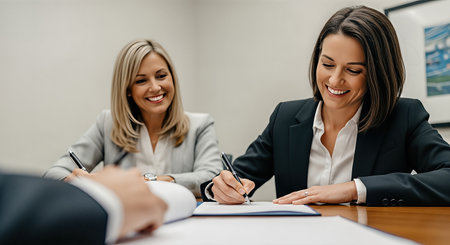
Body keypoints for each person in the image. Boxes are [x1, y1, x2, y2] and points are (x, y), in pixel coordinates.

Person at [202, 6, 450, 206]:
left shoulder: (403, 117)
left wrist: (354, 189)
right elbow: (233, 177)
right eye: (327, 64)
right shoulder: (285, 118)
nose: (334, 80)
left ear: (378, 73)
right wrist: (220, 188)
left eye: (353, 70)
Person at [44, 39, 222, 197]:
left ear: (172, 78)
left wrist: (151, 182)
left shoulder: (200, 125)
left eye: (161, 76)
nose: (155, 87)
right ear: (127, 89)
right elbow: (54, 173)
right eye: (141, 81)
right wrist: (77, 181)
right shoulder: (107, 124)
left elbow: (211, 177)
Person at [0, 166, 167, 244]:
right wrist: (98, 192)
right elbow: (57, 169)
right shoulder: (106, 124)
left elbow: (195, 178)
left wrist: (161, 179)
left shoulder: (193, 125)